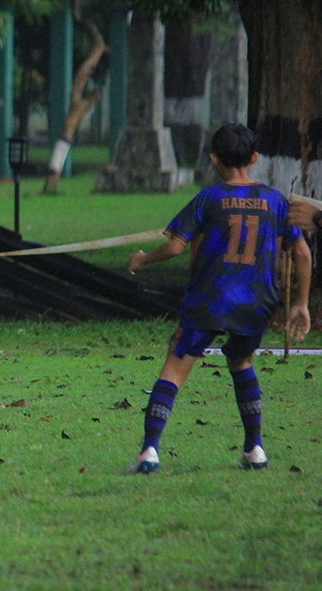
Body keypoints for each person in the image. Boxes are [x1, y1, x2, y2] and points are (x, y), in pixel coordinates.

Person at [127, 123, 311, 474]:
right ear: (254, 158)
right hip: (256, 301)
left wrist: (143, 259)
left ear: (213, 159)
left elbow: (176, 246)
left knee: (175, 364)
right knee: (241, 363)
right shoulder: (275, 201)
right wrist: (300, 303)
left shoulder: (208, 199)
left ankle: (149, 450)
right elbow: (301, 252)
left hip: (209, 299)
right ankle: (254, 448)